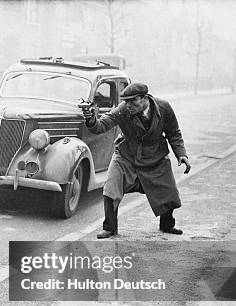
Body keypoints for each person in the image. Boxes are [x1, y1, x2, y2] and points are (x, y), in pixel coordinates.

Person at [81, 82, 191, 239]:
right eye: (126, 101)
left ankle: (167, 225)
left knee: (167, 191)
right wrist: (91, 119)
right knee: (111, 188)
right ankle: (110, 227)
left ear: (145, 98)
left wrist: (182, 154)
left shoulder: (164, 107)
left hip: (156, 156)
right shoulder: (123, 110)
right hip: (126, 155)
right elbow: (101, 126)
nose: (128, 105)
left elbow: (174, 133)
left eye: (133, 100)